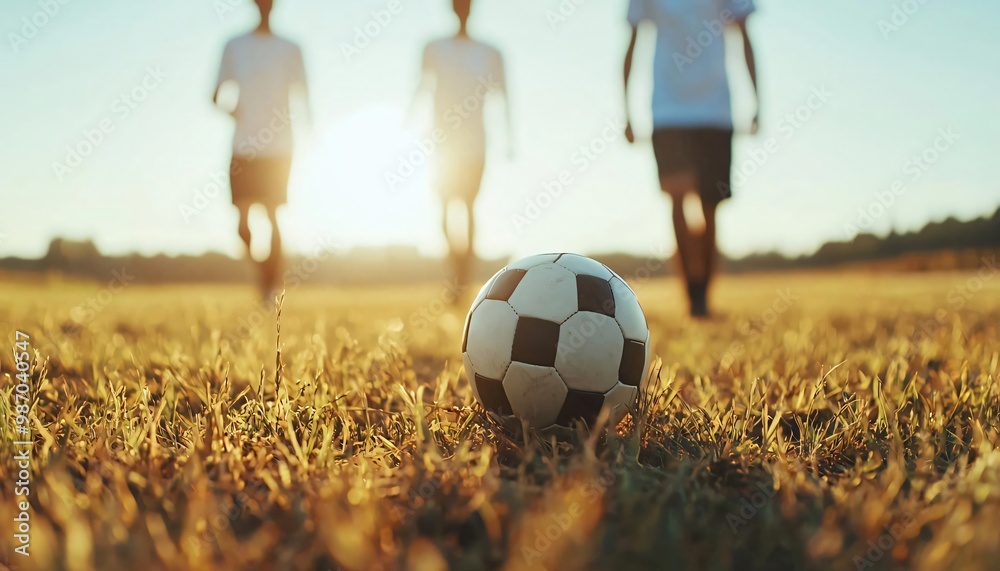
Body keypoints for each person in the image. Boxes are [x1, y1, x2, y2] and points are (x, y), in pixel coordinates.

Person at [624, 0, 759, 317]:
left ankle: (704, 292)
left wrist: (756, 100)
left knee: (710, 207)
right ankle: (692, 294)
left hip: (715, 112)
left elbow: (744, 37)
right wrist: (626, 111)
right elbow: (631, 45)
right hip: (668, 112)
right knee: (677, 197)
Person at [412, 0, 512, 297]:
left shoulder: (490, 52)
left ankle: (464, 276)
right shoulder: (433, 48)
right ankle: (455, 269)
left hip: (474, 145)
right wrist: (410, 129)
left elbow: (505, 96)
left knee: (468, 207)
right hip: (442, 145)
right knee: (444, 209)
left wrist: (510, 140)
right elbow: (421, 89)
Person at [213, 0, 309, 302]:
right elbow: (215, 95)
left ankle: (270, 286)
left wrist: (311, 135)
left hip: (280, 147)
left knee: (273, 215)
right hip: (244, 145)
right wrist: (238, 114)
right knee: (243, 225)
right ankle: (265, 272)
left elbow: (304, 97)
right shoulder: (234, 45)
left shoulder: (291, 48)